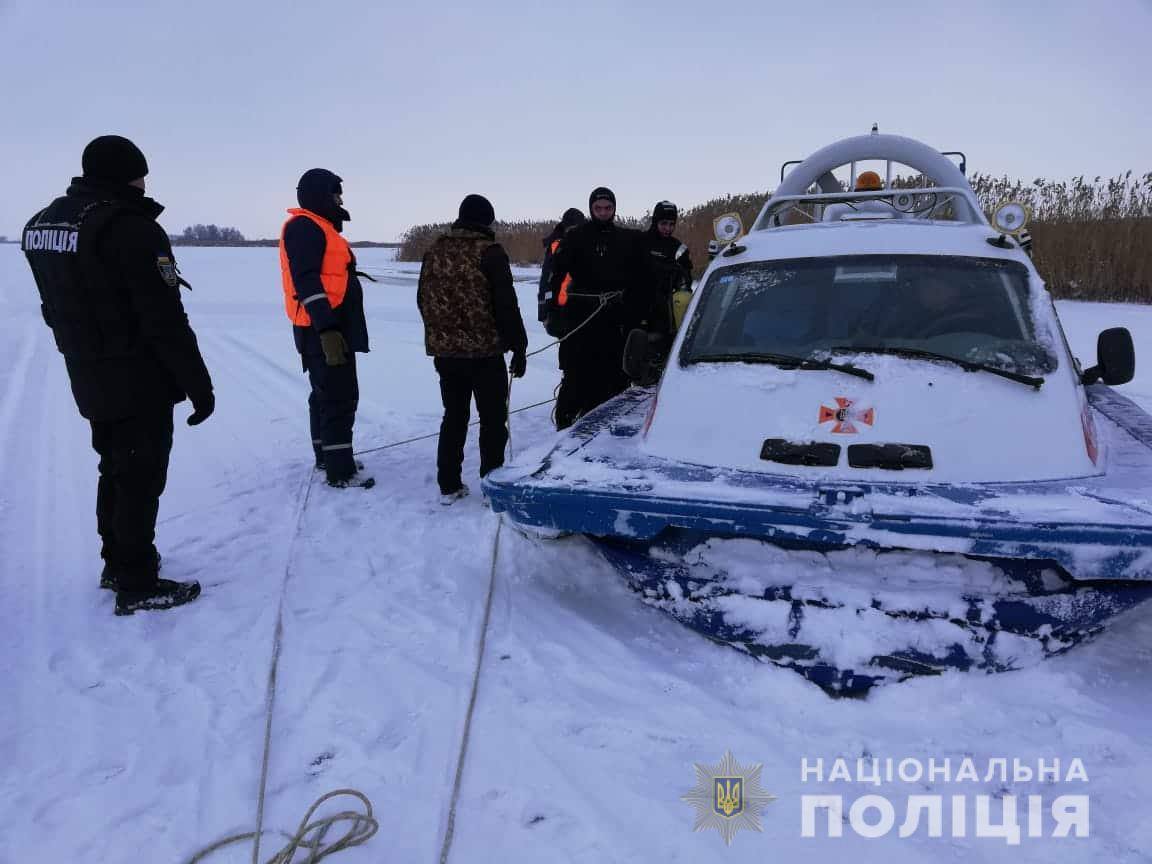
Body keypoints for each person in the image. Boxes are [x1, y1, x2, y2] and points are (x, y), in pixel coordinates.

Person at [22, 135, 212, 615]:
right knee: (140, 474)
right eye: (139, 174)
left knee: (116, 465)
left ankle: (117, 560)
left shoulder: (43, 224)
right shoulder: (132, 229)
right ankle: (136, 580)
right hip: (136, 375)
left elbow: (54, 302)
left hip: (86, 368)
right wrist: (198, 385)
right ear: (124, 174)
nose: (144, 183)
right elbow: (165, 321)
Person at [417, 194, 528, 504]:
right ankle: (491, 485)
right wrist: (518, 346)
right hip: (485, 354)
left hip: (447, 354)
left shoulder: (434, 251)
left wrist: (441, 336)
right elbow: (506, 305)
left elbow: (422, 300)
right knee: (492, 419)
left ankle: (448, 484)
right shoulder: (491, 253)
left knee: (454, 416)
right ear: (486, 221)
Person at [280, 168, 373, 489]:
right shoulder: (304, 228)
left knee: (325, 395)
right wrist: (327, 328)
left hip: (329, 327)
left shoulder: (319, 227)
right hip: (324, 330)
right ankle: (341, 471)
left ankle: (328, 457)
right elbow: (306, 280)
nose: (340, 199)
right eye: (335, 193)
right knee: (338, 397)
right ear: (320, 195)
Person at [547, 186, 645, 429]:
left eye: (607, 208)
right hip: (581, 316)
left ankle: (609, 424)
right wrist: (554, 312)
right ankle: (567, 424)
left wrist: (635, 312)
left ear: (614, 209)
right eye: (598, 208)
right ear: (591, 208)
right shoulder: (575, 237)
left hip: (615, 317)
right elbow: (556, 276)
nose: (603, 212)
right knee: (576, 372)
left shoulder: (627, 239)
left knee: (614, 372)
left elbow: (640, 278)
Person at [640, 200, 693, 335]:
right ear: (655, 221)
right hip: (641, 306)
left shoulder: (678, 248)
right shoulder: (641, 242)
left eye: (671, 224)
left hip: (667, 309)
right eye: (664, 224)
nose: (668, 229)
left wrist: (678, 274)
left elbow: (687, 280)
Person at [538, 207, 585, 326]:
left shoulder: (588, 243)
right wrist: (543, 311)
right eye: (571, 228)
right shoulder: (556, 245)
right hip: (560, 308)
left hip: (585, 307)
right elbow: (546, 279)